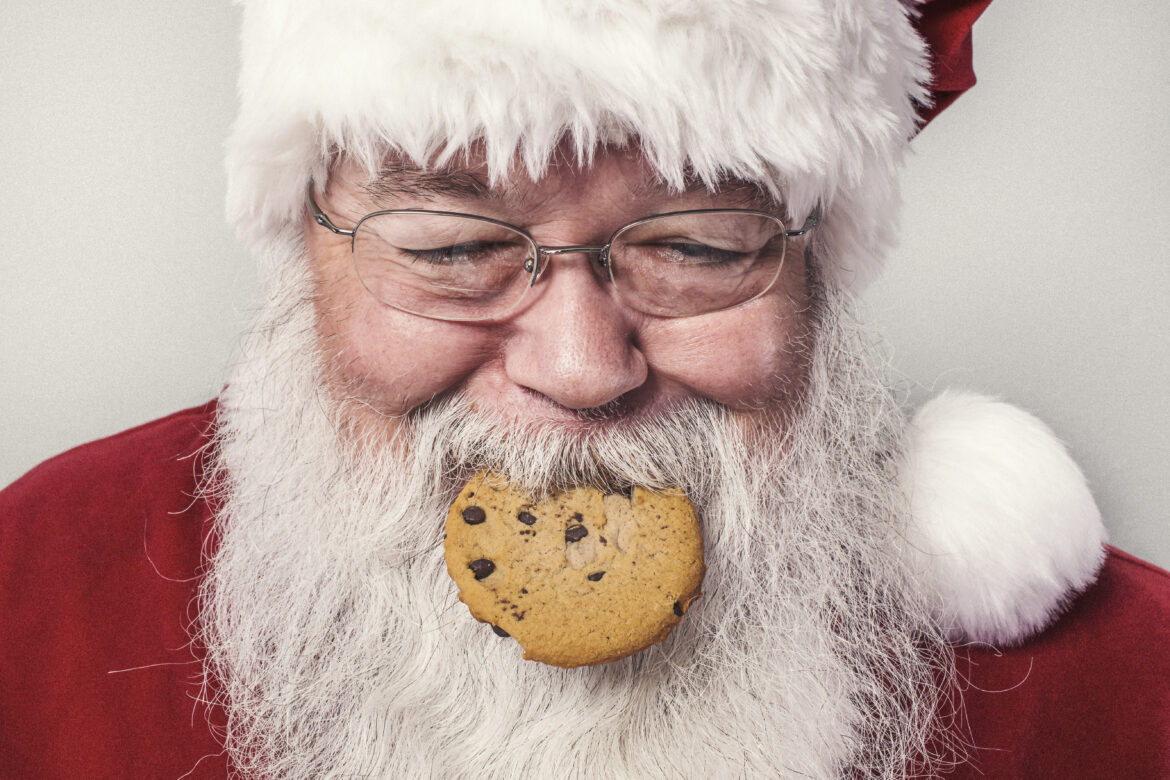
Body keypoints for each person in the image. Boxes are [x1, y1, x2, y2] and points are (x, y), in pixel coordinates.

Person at [2, 0, 1167, 777]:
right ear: (302, 248)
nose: (579, 369)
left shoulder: (1131, 690)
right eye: (452, 250)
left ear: (818, 275)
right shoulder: (36, 592)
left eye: (701, 250)